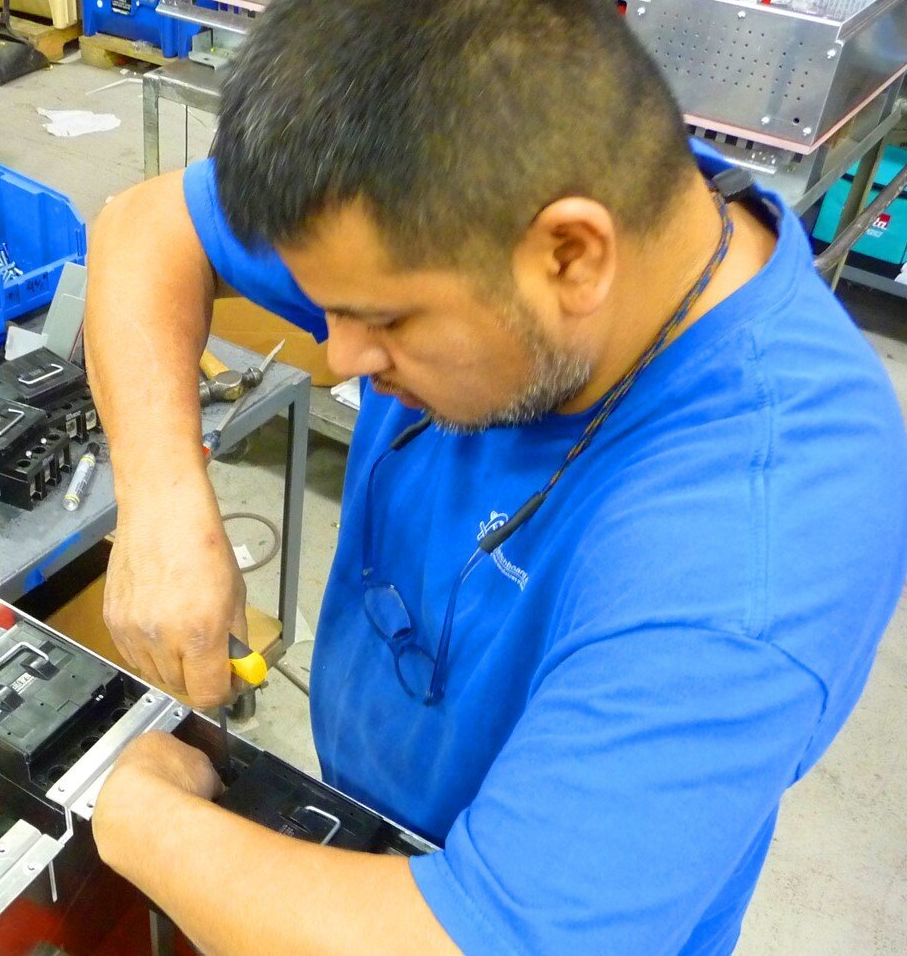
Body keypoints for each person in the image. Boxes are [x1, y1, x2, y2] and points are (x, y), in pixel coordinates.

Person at [80, 0, 907, 952]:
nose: (340, 357)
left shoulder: (751, 549)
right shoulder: (467, 186)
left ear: (571, 256)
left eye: (385, 321)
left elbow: (479, 940)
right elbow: (146, 227)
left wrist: (138, 819)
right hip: (370, 831)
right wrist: (162, 503)